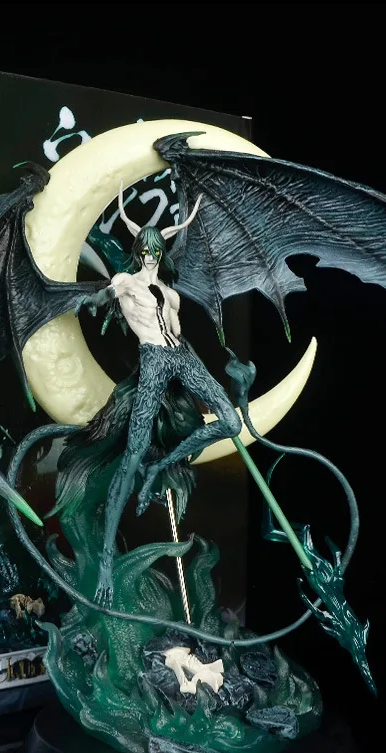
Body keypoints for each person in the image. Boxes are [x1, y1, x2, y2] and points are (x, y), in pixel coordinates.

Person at [76, 189, 242, 607]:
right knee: (132, 455)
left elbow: (178, 332)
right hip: (152, 359)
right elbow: (106, 295)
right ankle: (108, 562)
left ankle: (162, 465)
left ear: (162, 252)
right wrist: (96, 300)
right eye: (145, 249)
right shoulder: (126, 282)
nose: (150, 255)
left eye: (156, 250)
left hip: (183, 356)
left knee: (231, 421)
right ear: (138, 250)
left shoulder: (172, 294)